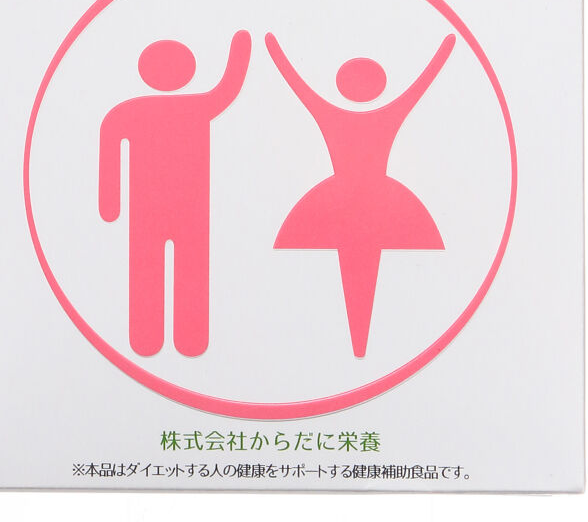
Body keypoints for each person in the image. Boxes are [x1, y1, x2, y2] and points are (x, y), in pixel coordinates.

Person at [265, 31, 456, 356]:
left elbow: (299, 87)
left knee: (358, 267)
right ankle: (359, 345)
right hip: (373, 202)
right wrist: (444, 49)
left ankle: (359, 345)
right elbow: (420, 85)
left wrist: (274, 49)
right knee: (359, 267)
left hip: (347, 203)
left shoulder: (330, 113)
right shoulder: (387, 113)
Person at [99, 31, 251, 356]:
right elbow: (228, 88)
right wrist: (241, 47)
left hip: (156, 211)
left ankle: (152, 339)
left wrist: (110, 205)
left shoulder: (127, 112)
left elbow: (109, 152)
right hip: (184, 210)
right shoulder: (196, 107)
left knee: (154, 268)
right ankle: (183, 339)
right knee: (180, 268)